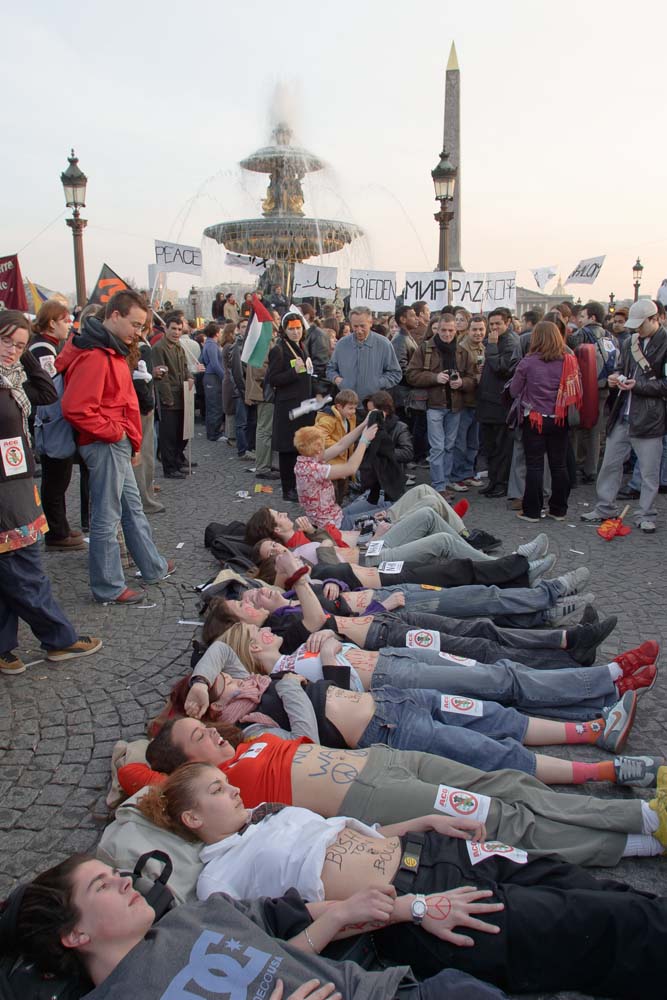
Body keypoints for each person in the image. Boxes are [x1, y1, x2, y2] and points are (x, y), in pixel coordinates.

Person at [132, 762, 667, 997]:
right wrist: (408, 911)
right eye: (219, 791)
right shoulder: (217, 883)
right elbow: (288, 944)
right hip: (421, 905)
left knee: (585, 886)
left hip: (434, 850)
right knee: (598, 926)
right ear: (193, 820)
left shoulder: (270, 813)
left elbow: (358, 832)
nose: (234, 792)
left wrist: (427, 822)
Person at [128, 717, 667, 870]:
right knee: (503, 819)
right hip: (371, 799)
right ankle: (644, 834)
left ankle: (641, 813)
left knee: (505, 783)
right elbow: (134, 776)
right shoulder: (216, 789)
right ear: (188, 766)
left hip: (387, 761)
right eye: (200, 737)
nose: (213, 732)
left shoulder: (249, 741)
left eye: (206, 726)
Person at [211, 626, 656, 786]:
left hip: (395, 690)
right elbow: (305, 742)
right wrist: (305, 673)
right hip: (383, 723)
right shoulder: (254, 721)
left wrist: (201, 679)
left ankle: (598, 714)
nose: (232, 677)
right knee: (493, 742)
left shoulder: (266, 675)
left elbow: (218, 655)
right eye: (223, 684)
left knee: (495, 702)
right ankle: (606, 713)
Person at [11, 856, 503, 1000]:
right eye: (101, 885)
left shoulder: (195, 914)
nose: (124, 881)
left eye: (116, 873)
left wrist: (404, 907)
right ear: (74, 935)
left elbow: (278, 940)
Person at [0, 311, 102, 674]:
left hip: (17, 483)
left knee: (9, 573)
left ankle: (3, 646)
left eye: (20, 344)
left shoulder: (12, 380)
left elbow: (45, 390)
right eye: (6, 341)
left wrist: (23, 349)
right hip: (4, 494)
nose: (13, 351)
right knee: (25, 571)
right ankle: (59, 639)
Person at [58, 290, 171, 604]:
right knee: (107, 516)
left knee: (131, 508)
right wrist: (116, 433)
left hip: (113, 441)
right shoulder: (97, 354)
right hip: (105, 443)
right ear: (115, 316)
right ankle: (108, 585)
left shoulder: (110, 348)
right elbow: (76, 407)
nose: (139, 331)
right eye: (135, 324)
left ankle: (152, 566)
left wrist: (125, 437)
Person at [581, 299, 667, 533]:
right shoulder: (630, 342)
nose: (637, 329)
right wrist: (616, 378)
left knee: (649, 471)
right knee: (609, 464)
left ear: (655, 318)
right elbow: (621, 368)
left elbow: (664, 384)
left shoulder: (665, 343)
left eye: (641, 324)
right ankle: (604, 507)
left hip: (649, 418)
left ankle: (646, 514)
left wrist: (636, 385)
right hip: (624, 414)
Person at [510, 321, 582, 523]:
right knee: (559, 466)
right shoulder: (569, 360)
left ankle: (532, 511)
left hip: (534, 419)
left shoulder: (527, 362)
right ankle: (558, 510)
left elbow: (514, 390)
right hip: (560, 418)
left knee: (534, 466)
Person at [28, 299, 85, 550]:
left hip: (49, 420)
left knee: (59, 478)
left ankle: (59, 526)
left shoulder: (48, 346)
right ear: (51, 323)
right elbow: (50, 388)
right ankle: (56, 532)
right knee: (55, 478)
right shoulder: (42, 349)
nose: (68, 325)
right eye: (64, 320)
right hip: (50, 421)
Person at [406, 313, 477, 501]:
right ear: (437, 328)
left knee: (449, 446)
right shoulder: (426, 348)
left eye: (451, 330)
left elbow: (474, 378)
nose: (447, 334)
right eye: (443, 330)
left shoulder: (462, 352)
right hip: (434, 405)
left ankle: (443, 482)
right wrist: (434, 378)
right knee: (437, 447)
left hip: (455, 406)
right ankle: (439, 486)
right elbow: (411, 374)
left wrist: (461, 383)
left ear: (456, 330)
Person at [567, 300, 618, 485]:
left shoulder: (582, 334)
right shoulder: (610, 337)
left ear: (592, 317)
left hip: (582, 388)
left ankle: (572, 465)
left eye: (582, 316)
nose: (580, 320)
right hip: (603, 388)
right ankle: (591, 469)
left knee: (575, 427)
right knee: (595, 429)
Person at [294, 423, 379, 529]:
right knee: (385, 510)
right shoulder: (314, 470)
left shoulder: (304, 462)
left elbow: (341, 445)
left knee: (379, 504)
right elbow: (351, 468)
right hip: (334, 525)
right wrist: (365, 440)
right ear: (319, 449)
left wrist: (364, 424)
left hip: (335, 516)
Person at [268, 312, 315, 502]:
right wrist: (293, 373)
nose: (295, 332)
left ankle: (297, 485)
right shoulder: (279, 350)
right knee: (287, 449)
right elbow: (273, 379)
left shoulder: (301, 347)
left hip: (302, 406)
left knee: (299, 447)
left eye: (298, 328)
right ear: (284, 330)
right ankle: (288, 489)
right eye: (291, 329)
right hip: (288, 408)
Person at [476, 310, 521, 498]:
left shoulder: (510, 342)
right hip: (489, 402)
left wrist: (492, 348)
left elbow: (503, 368)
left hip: (499, 404)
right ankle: (494, 481)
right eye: (491, 324)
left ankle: (501, 483)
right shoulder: (495, 341)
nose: (494, 328)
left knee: (501, 448)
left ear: (508, 322)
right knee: (491, 447)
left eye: (497, 324)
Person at [326, 308, 401, 403]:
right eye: (355, 326)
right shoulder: (342, 344)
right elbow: (330, 369)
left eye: (362, 326)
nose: (359, 330)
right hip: (346, 404)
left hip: (373, 404)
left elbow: (395, 373)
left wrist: (377, 383)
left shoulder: (384, 344)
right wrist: (338, 380)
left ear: (370, 323)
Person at [130, 315, 165, 515]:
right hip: (142, 407)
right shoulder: (142, 347)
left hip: (139, 404)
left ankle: (145, 493)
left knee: (142, 453)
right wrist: (148, 403)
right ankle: (145, 498)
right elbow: (139, 379)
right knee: (144, 453)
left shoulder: (139, 346)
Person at [152, 312, 192, 480]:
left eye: (179, 329)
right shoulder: (159, 348)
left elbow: (185, 367)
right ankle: (169, 468)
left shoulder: (179, 347)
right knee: (168, 435)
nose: (176, 332)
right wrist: (167, 399)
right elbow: (162, 377)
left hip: (182, 395)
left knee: (181, 434)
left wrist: (190, 377)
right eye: (173, 329)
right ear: (165, 329)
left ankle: (176, 460)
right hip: (169, 398)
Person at [450, 314, 485, 490]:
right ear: (468, 330)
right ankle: (457, 476)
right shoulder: (461, 349)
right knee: (460, 443)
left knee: (473, 443)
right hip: (463, 402)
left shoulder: (483, 348)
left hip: (477, 403)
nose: (478, 333)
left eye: (481, 329)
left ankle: (468, 472)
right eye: (475, 329)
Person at [314, 390, 359, 504]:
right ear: (339, 406)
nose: (353, 411)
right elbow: (320, 436)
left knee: (341, 493)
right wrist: (340, 448)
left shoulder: (349, 418)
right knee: (330, 495)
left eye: (354, 408)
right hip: (330, 464)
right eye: (350, 408)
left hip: (342, 463)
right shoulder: (328, 418)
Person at [200, 322, 225, 441]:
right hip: (213, 378)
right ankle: (214, 433)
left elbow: (202, 360)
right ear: (216, 333)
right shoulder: (212, 345)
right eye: (220, 332)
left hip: (209, 377)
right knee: (215, 406)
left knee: (211, 405)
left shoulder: (207, 344)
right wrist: (224, 376)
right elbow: (215, 364)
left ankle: (211, 432)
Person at [221, 323, 238, 445]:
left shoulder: (226, 346)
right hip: (230, 380)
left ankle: (231, 435)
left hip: (228, 378)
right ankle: (231, 436)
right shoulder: (229, 347)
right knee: (231, 408)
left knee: (230, 407)